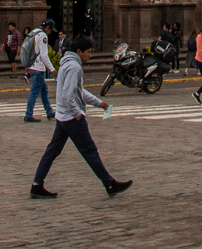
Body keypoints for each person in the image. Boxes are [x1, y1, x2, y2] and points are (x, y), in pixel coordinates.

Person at [28, 34, 132, 199]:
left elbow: (78, 91)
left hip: (62, 117)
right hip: (71, 118)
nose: (90, 56)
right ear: (78, 51)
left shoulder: (66, 64)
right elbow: (69, 95)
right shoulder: (75, 67)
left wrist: (98, 103)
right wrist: (77, 115)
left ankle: (37, 185)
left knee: (52, 152)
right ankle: (109, 183)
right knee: (90, 151)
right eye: (88, 52)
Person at [21, 19, 54, 122]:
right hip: (38, 68)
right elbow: (44, 55)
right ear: (48, 28)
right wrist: (52, 69)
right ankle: (28, 114)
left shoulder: (34, 32)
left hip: (31, 66)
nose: (50, 33)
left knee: (44, 91)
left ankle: (49, 112)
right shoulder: (43, 35)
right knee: (34, 92)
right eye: (51, 30)